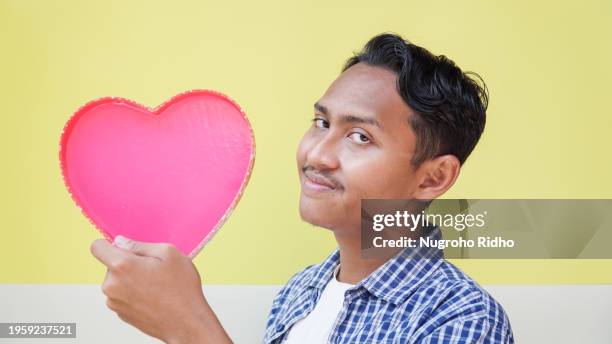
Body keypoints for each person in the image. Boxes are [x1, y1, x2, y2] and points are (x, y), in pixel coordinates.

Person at [91, 32, 514, 343]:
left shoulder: (461, 319)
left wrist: (190, 330)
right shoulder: (298, 293)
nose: (317, 155)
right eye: (322, 124)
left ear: (433, 177)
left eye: (360, 137)